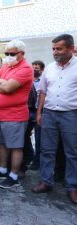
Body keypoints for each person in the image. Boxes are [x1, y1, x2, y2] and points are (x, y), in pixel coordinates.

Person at [32, 34, 77, 204]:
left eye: (59, 48)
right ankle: (46, 181)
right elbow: (43, 91)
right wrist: (39, 113)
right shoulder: (49, 67)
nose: (55, 52)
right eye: (53, 49)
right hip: (49, 114)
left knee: (72, 152)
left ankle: (73, 187)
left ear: (71, 48)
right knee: (47, 150)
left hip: (71, 114)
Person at [0, 39, 33, 189]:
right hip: (0, 114)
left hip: (15, 116)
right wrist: (3, 82)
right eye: (6, 53)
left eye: (11, 53)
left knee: (15, 146)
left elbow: (7, 88)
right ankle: (2, 169)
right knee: (2, 144)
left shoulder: (26, 68)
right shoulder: (6, 66)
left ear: (22, 53)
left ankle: (13, 176)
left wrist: (1, 83)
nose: (8, 56)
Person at [29, 60, 45, 171]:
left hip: (41, 111)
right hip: (29, 111)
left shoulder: (44, 81)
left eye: (37, 68)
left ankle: (37, 161)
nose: (34, 69)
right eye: (33, 67)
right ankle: (30, 156)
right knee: (25, 136)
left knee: (39, 138)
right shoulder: (28, 81)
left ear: (42, 70)